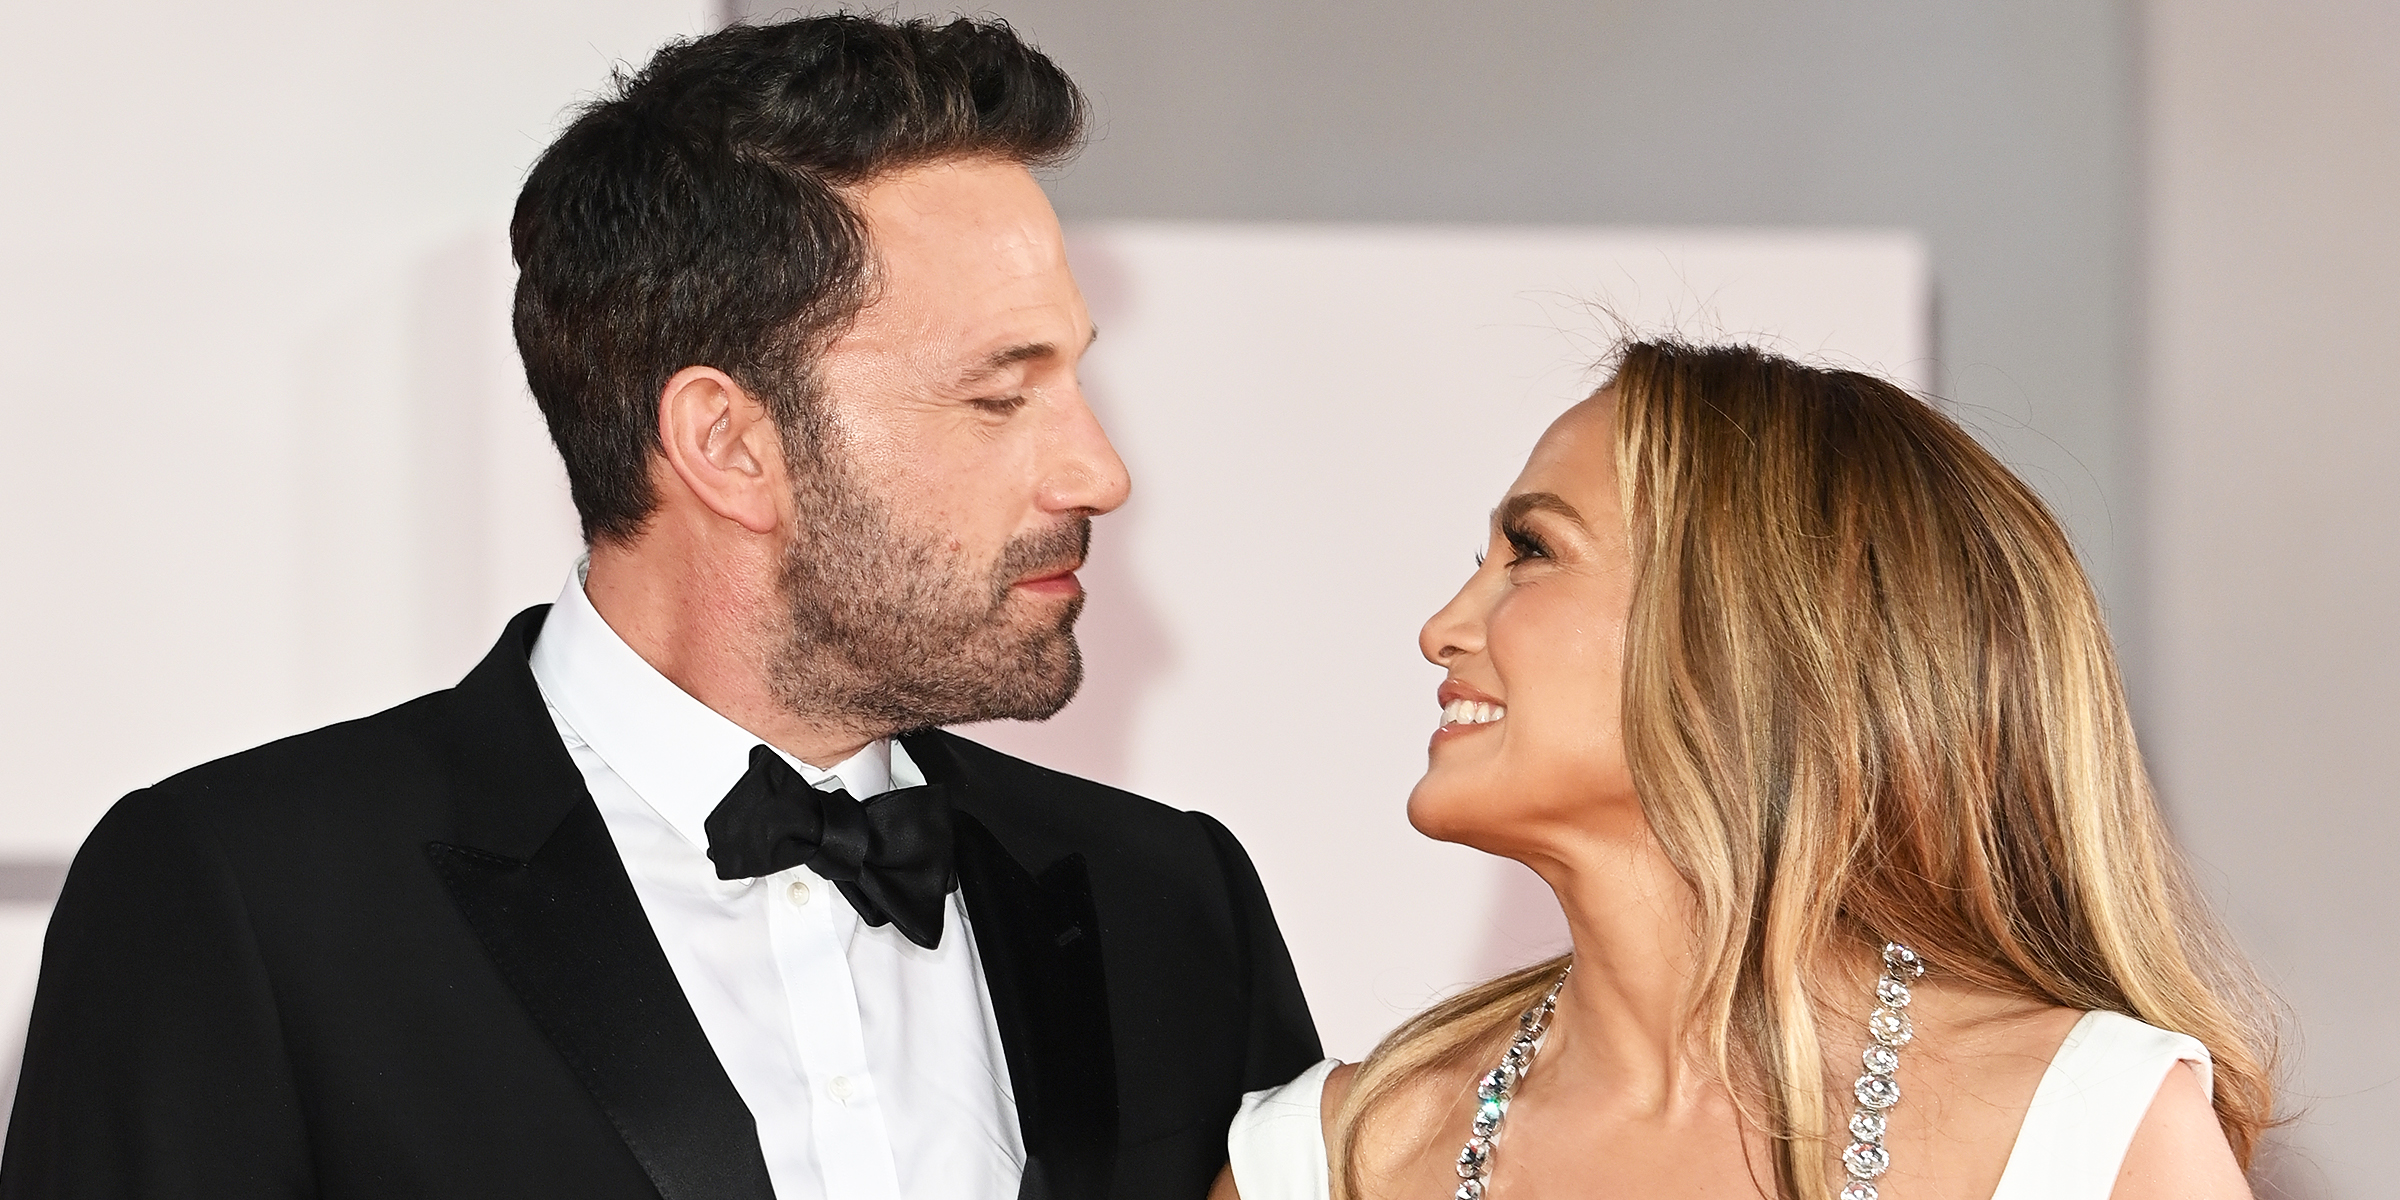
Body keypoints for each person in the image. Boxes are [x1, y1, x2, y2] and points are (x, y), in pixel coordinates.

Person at [2, 15, 1319, 1200]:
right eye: (997, 395)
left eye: (1073, 379)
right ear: (727, 444)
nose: (1098, 469)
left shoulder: (1170, 903)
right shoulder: (248, 902)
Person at [1215, 341, 2273, 1200]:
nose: (1441, 629)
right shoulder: (1333, 1158)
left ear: (1743, 634)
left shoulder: (2086, 1128)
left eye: (1531, 552)